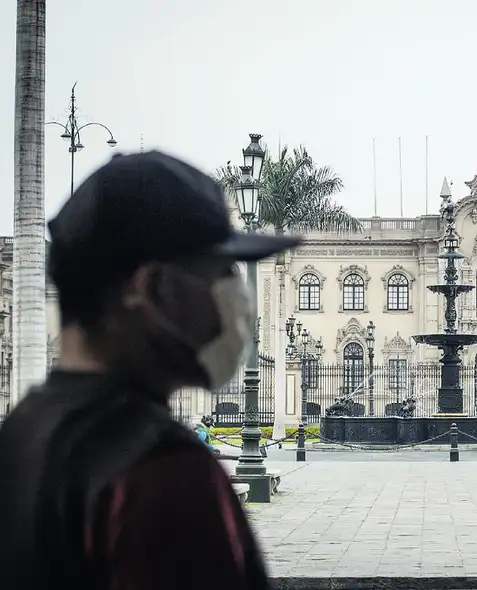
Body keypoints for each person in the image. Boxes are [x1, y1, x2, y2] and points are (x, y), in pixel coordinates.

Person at [0, 151, 300, 588]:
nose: (237, 301)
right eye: (221, 275)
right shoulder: (162, 472)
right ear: (154, 288)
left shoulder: (22, 431)